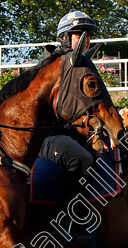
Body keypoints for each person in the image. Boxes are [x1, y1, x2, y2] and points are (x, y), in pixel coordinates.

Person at [38, 10, 101, 178]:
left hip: (72, 134)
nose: (86, 40)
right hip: (48, 135)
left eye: (88, 36)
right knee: (81, 158)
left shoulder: (83, 69)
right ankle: (68, 204)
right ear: (64, 37)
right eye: (80, 34)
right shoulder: (49, 65)